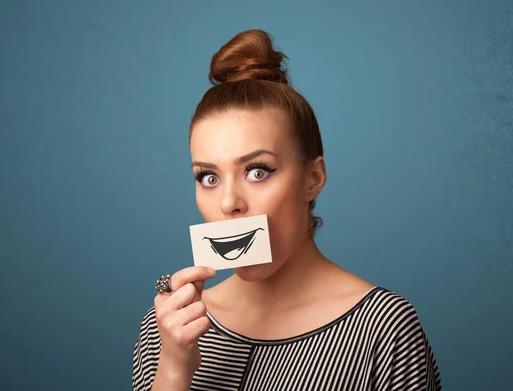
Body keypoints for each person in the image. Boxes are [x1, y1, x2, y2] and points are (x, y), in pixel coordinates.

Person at [132, 29, 442, 391]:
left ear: (313, 178)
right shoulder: (168, 328)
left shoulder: (384, 330)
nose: (229, 202)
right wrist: (173, 369)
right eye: (209, 177)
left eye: (257, 171)